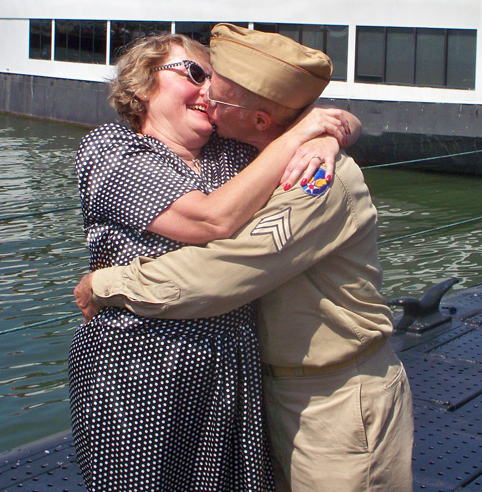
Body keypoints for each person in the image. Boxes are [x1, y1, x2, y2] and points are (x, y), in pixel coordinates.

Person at [75, 24, 414, 492]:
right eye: (195, 73)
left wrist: (326, 135)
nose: (207, 93)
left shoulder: (261, 161)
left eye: (213, 81)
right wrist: (317, 130)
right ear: (143, 81)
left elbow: (223, 269)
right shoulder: (119, 149)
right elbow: (216, 210)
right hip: (146, 373)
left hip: (307, 389)